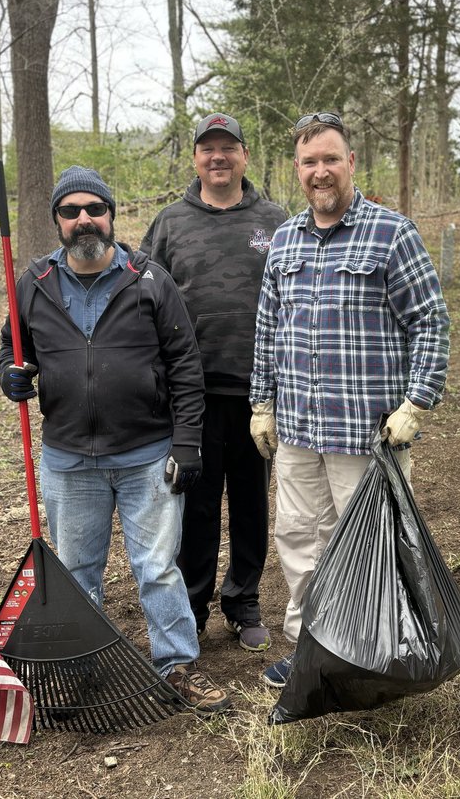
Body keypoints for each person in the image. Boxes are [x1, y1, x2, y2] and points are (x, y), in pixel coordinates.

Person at [0, 165, 230, 714]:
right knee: (78, 572)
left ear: (111, 215)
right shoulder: (32, 284)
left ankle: (175, 667)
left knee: (158, 568)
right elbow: (13, 348)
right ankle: (83, 669)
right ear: (57, 220)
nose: (84, 220)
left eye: (94, 209)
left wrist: (187, 443)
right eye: (71, 211)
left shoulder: (149, 279)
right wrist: (11, 374)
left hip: (146, 455)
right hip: (68, 460)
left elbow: (185, 365)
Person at [249, 112, 451, 688]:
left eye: (330, 159)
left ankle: (374, 652)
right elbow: (268, 330)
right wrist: (261, 404)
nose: (320, 172)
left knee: (372, 545)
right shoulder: (285, 239)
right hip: (298, 431)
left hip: (367, 434)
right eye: (309, 162)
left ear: (351, 163)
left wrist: (416, 403)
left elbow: (430, 323)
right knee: (299, 538)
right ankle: (313, 647)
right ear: (297, 170)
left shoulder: (392, 233)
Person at [141, 113, 288, 653]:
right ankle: (195, 605)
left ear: (245, 156)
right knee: (196, 505)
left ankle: (243, 601)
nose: (218, 157)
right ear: (197, 158)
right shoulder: (169, 224)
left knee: (252, 502)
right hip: (191, 396)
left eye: (229, 148)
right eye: (208, 149)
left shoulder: (275, 220)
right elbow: (142, 299)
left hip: (260, 396)